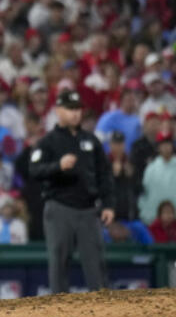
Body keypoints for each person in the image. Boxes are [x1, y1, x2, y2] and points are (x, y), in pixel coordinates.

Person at [29, 90, 115, 293]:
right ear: (58, 111)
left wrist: (109, 204)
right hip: (60, 207)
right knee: (59, 260)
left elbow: (105, 175)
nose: (75, 113)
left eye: (78, 109)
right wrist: (57, 166)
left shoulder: (91, 140)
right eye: (70, 109)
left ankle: (103, 308)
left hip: (88, 210)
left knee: (96, 262)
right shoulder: (48, 141)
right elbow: (34, 170)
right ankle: (60, 309)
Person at [140, 131, 176, 224]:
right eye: (163, 144)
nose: (166, 147)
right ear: (158, 147)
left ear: (172, 146)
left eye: (168, 144)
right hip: (154, 221)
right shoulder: (151, 168)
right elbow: (144, 194)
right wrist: (147, 215)